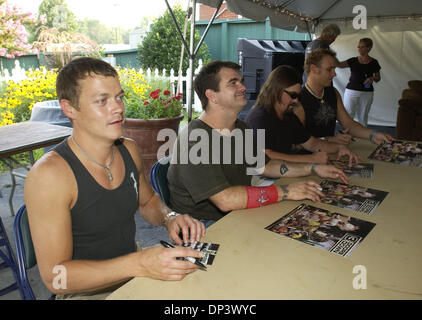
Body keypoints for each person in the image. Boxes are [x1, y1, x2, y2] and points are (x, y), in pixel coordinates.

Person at [24, 57, 206, 299]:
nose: (118, 108)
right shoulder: (50, 176)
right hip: (85, 293)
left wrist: (169, 217)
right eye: (102, 100)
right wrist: (139, 263)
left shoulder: (128, 149)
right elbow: (55, 278)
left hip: (133, 274)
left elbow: (147, 201)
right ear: (69, 108)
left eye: (119, 97)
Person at [167, 60, 349, 224]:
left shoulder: (241, 128)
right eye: (233, 83)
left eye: (241, 81)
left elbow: (264, 166)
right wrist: (286, 192)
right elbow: (226, 200)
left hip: (236, 213)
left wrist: (313, 168)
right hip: (204, 226)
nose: (243, 87)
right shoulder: (194, 140)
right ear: (212, 95)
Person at [245, 65, 360, 166]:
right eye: (293, 95)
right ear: (276, 91)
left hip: (283, 172)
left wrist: (338, 147)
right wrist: (311, 159)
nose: (296, 101)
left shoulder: (288, 115)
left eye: (298, 96)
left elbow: (312, 144)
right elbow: (266, 155)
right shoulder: (259, 118)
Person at [297, 48, 394, 145]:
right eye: (329, 69)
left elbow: (348, 124)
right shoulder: (298, 100)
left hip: (330, 151)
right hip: (309, 156)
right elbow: (296, 142)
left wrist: (373, 134)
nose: (334, 74)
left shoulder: (333, 93)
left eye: (334, 69)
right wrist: (328, 139)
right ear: (313, 69)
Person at [337, 38, 381, 126]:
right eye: (358, 47)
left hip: (367, 92)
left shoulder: (374, 62)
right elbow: (339, 65)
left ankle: (363, 136)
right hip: (352, 91)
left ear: (369, 48)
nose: (359, 49)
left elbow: (378, 78)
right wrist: (329, 57)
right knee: (348, 114)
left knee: (363, 115)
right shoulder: (353, 60)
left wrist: (372, 78)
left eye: (362, 47)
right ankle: (347, 134)